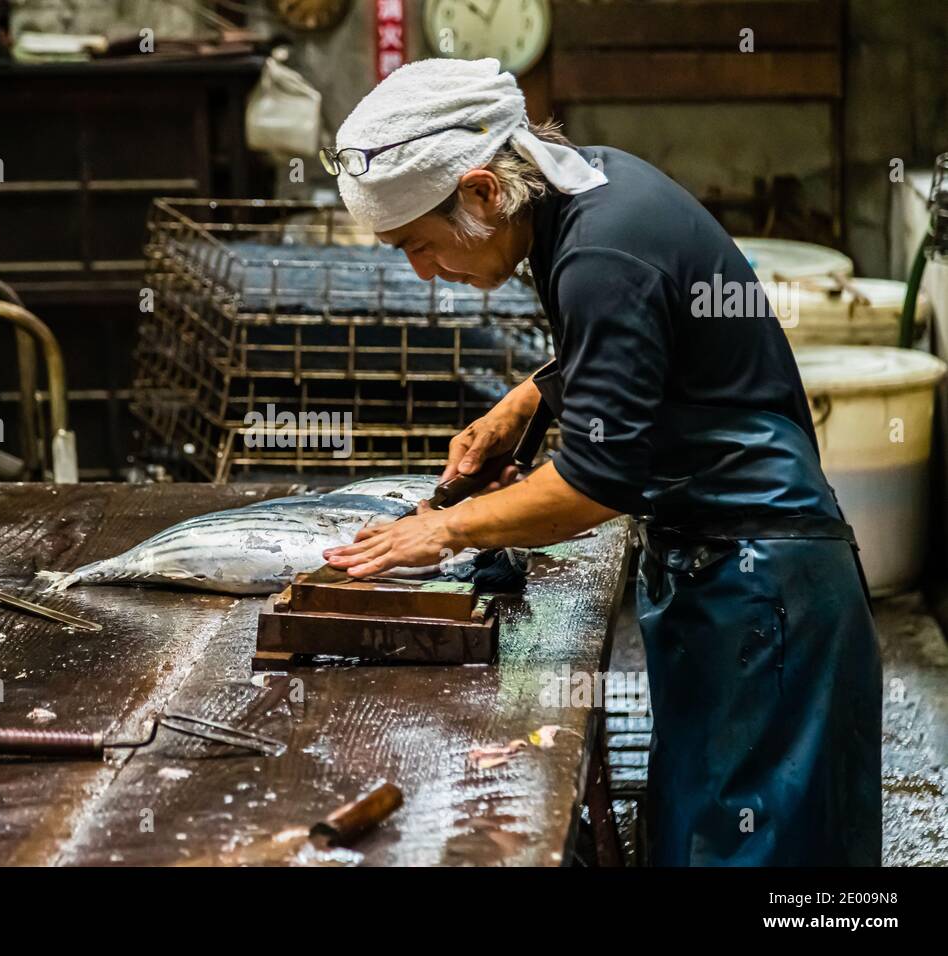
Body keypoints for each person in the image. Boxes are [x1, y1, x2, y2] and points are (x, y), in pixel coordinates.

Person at [320, 57, 882, 866]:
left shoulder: (600, 254)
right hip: (725, 570)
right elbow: (651, 344)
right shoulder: (594, 187)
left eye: (419, 243)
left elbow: (595, 482)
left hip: (763, 589)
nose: (422, 270)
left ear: (482, 191)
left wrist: (442, 532)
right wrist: (528, 401)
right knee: (703, 833)